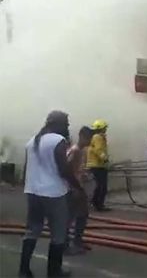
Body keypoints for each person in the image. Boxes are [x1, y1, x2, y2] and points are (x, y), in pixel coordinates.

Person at [19, 111, 81, 278]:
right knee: (59, 234)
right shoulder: (58, 141)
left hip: (33, 192)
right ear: (57, 123)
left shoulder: (31, 141)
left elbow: (26, 171)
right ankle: (54, 272)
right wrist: (77, 187)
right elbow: (63, 169)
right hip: (54, 193)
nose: (67, 127)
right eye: (66, 123)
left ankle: (24, 270)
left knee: (32, 231)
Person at [65, 126, 94, 255]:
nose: (90, 141)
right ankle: (66, 245)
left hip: (79, 187)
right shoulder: (75, 151)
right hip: (73, 188)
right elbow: (67, 168)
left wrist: (84, 175)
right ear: (82, 136)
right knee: (69, 217)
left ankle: (78, 241)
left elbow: (77, 169)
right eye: (89, 138)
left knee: (82, 215)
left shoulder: (81, 151)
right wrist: (74, 184)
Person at [87, 119, 110, 212]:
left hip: (96, 165)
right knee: (102, 186)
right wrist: (105, 159)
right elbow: (98, 150)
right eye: (104, 128)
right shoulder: (98, 137)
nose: (105, 129)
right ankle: (99, 204)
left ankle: (95, 202)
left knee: (99, 185)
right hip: (98, 165)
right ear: (101, 128)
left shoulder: (96, 137)